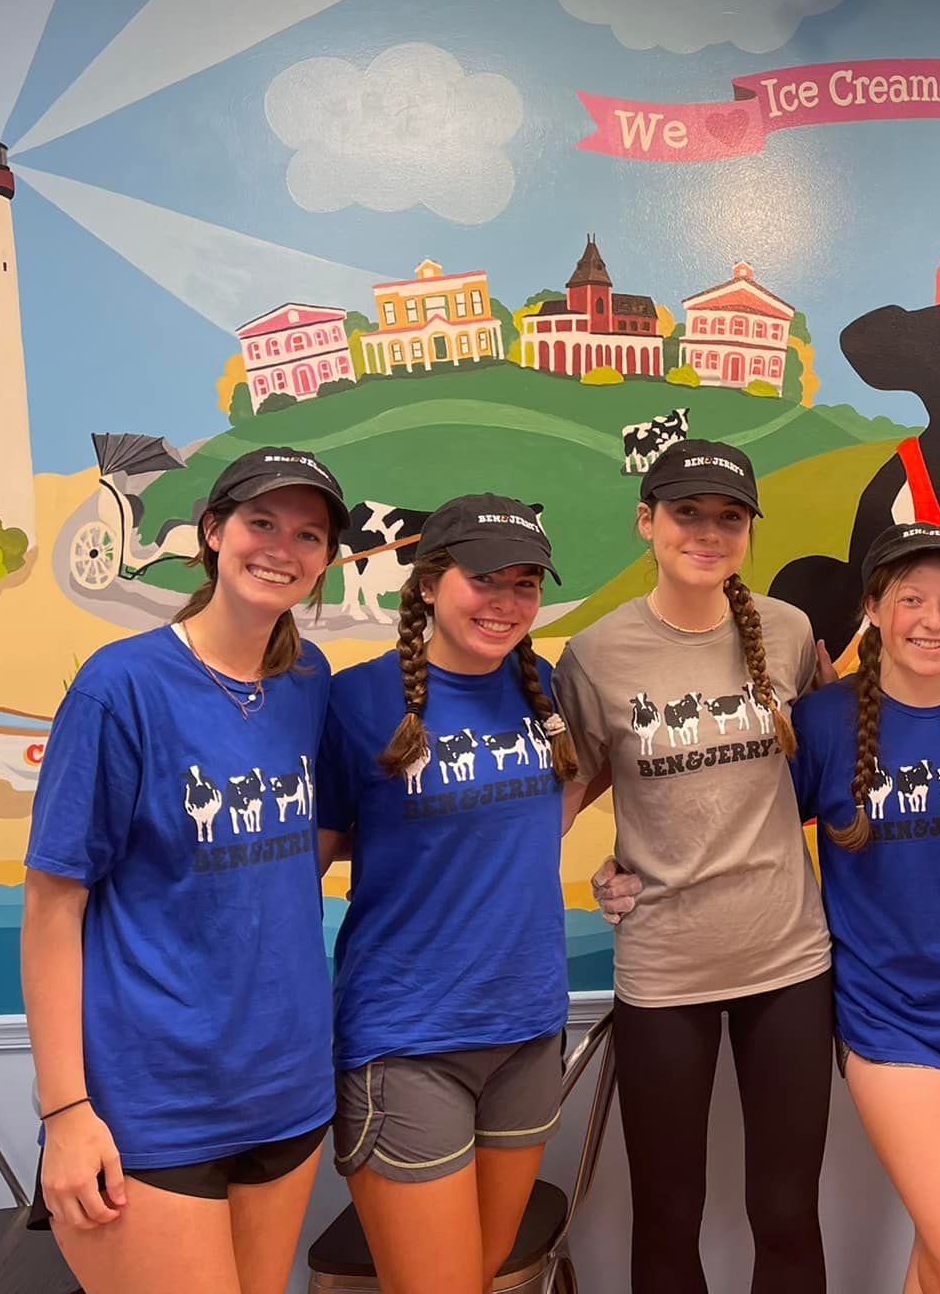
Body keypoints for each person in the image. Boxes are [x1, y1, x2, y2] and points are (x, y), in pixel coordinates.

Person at [22, 447, 347, 1294]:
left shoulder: (307, 680)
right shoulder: (120, 686)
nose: (281, 548)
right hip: (152, 1101)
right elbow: (52, 907)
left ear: (325, 561)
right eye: (260, 522)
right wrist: (65, 1111)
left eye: (308, 535)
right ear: (212, 532)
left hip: (287, 1086)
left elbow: (299, 841)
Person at [555, 440, 833, 1294]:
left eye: (729, 517)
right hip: (664, 972)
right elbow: (570, 792)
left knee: (786, 1214)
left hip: (787, 962)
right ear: (647, 521)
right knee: (668, 1216)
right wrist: (605, 871)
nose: (708, 533)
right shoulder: (595, 655)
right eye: (686, 513)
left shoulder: (788, 633)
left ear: (748, 531)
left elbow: (830, 767)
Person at [314, 494, 579, 1294]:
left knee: (485, 1277)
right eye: (484, 579)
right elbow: (307, 859)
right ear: (429, 583)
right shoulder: (356, 701)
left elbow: (554, 800)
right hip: (407, 1040)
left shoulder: (542, 686)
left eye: (525, 584)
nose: (506, 602)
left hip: (527, 1029)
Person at [792, 522, 940, 1294]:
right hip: (888, 1014)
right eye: (911, 600)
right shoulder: (823, 722)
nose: (933, 620)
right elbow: (748, 839)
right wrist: (631, 866)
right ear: (872, 607)